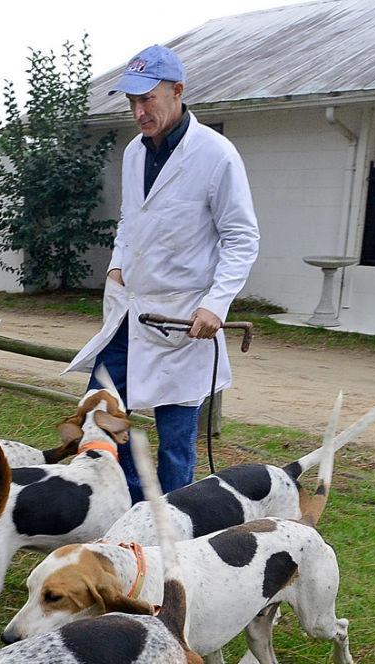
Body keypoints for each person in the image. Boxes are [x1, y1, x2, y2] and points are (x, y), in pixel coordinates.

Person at [67, 43, 259, 501]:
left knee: (175, 439)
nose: (138, 112)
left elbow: (241, 237)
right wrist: (116, 267)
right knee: (102, 411)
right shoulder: (135, 152)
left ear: (177, 91)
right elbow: (130, 219)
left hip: (183, 319)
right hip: (131, 311)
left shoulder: (217, 155)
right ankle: (122, 505)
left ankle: (174, 523)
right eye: (131, 102)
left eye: (146, 99)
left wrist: (217, 303)